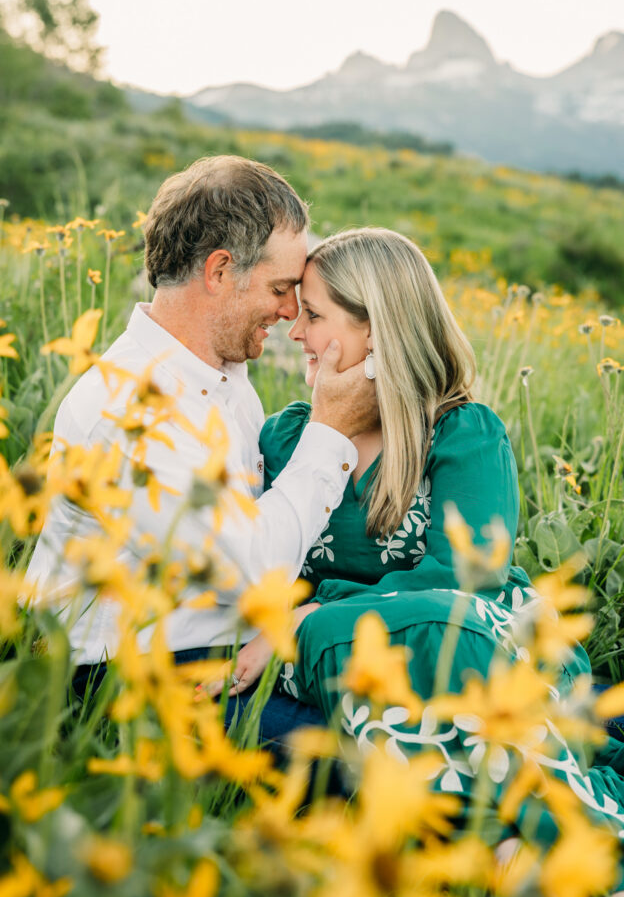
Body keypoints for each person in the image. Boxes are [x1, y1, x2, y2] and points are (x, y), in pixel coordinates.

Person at [233, 228, 624, 897]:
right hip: (347, 666)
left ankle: (577, 863)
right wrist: (297, 618)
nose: (295, 331)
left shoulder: (463, 432)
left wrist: (308, 617)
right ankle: (550, 859)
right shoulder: (288, 436)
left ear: (378, 326)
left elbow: (468, 581)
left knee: (449, 629)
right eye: (294, 310)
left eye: (314, 314)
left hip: (486, 646)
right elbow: (267, 563)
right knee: (398, 693)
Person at [27, 156, 377, 685]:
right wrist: (330, 429)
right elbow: (252, 572)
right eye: (281, 288)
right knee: (354, 763)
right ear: (218, 272)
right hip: (125, 677)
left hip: (220, 655)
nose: (289, 314)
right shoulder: (135, 405)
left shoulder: (221, 378)